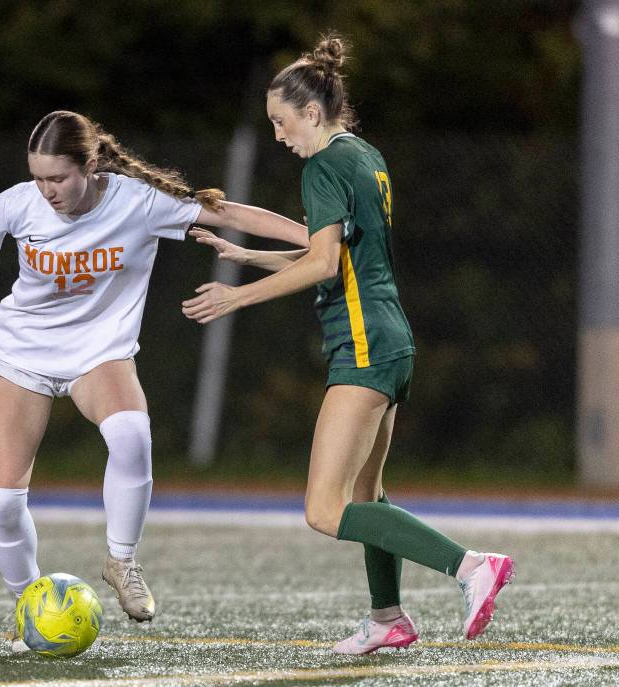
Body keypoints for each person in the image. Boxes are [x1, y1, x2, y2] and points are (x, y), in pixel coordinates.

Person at [0, 110, 309, 649]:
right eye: (38, 178)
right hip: (22, 356)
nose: (46, 190)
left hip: (101, 354)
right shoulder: (22, 203)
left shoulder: (135, 201)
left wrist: (313, 237)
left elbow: (227, 212)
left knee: (131, 435)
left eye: (58, 178)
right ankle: (29, 601)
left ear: (90, 166)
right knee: (2, 504)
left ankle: (121, 561)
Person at [182, 35, 514, 655]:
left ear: (311, 113)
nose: (279, 136)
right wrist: (248, 254)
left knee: (324, 509)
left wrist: (235, 296)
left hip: (362, 345)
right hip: (391, 337)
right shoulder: (364, 154)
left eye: (282, 123)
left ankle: (470, 566)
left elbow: (324, 265)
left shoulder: (322, 165)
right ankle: (387, 619)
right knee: (366, 494)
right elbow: (338, 256)